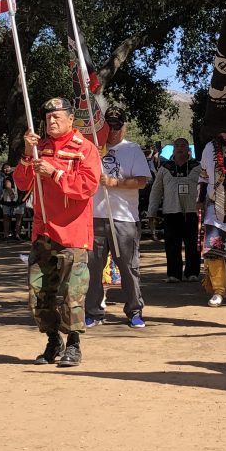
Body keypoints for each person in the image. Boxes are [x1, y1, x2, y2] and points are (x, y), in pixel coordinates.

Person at [14, 97, 101, 367]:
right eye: (48, 117)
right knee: (39, 293)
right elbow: (22, 182)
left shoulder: (84, 149)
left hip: (72, 233)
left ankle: (74, 344)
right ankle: (53, 340)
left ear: (71, 120)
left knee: (72, 293)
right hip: (43, 231)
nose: (51, 122)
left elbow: (87, 186)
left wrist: (56, 173)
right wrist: (28, 155)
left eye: (57, 117)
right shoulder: (40, 149)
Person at [85, 106, 152, 328]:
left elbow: (142, 181)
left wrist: (116, 183)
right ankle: (93, 312)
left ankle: (134, 311)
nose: (113, 131)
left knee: (129, 267)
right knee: (92, 268)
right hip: (94, 216)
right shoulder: (92, 148)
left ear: (124, 127)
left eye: (117, 126)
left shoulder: (132, 149)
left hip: (124, 218)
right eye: (109, 126)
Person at [197, 131, 226, 306]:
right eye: (224, 127)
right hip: (215, 204)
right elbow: (203, 176)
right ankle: (218, 291)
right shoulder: (209, 147)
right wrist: (200, 200)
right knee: (214, 248)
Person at [148, 138, 203, 282]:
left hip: (192, 211)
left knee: (193, 244)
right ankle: (173, 274)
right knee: (172, 244)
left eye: (183, 146)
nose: (180, 148)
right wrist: (151, 213)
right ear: (173, 150)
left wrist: (205, 205)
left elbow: (204, 188)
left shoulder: (197, 167)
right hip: (171, 211)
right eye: (177, 146)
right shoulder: (165, 168)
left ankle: (192, 273)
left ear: (189, 149)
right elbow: (156, 191)